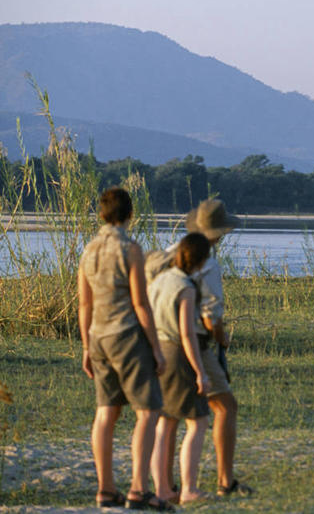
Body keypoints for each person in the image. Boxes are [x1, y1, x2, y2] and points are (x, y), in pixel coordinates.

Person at [78, 187, 172, 511]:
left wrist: (86, 347)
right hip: (127, 336)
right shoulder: (130, 249)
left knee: (106, 411)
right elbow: (140, 303)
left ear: (102, 213)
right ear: (130, 214)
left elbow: (84, 304)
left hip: (97, 337)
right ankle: (138, 489)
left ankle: (105, 489)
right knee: (148, 412)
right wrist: (156, 348)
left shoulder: (88, 250)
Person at [165, 199, 253, 496]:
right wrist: (221, 336)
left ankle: (167, 485)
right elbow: (210, 315)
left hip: (164, 340)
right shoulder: (209, 263)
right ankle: (225, 481)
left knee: (170, 416)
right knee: (225, 406)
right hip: (195, 342)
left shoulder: (170, 253)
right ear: (220, 232)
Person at [149, 233, 212, 505]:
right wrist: (200, 372)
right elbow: (186, 333)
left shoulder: (159, 279)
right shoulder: (185, 287)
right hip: (176, 353)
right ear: (199, 260)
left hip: (156, 351)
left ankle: (162, 489)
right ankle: (189, 488)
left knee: (165, 421)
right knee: (198, 421)